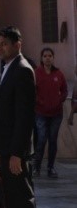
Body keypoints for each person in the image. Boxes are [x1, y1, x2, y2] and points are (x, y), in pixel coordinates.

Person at [0, 27, 45, 208]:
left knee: (23, 203)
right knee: (13, 203)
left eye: (4, 44)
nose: (0, 47)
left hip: (16, 153)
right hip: (6, 149)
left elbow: (24, 117)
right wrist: (2, 150)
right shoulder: (8, 68)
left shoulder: (22, 70)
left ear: (17, 44)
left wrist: (16, 153)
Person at [33, 47, 68, 178]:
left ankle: (50, 168)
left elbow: (64, 90)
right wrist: (39, 101)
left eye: (50, 56)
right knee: (41, 139)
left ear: (53, 58)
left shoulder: (59, 74)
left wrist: (60, 99)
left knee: (53, 140)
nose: (47, 58)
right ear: (41, 58)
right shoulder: (36, 73)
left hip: (56, 114)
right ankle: (36, 167)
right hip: (41, 113)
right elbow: (31, 90)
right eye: (45, 56)